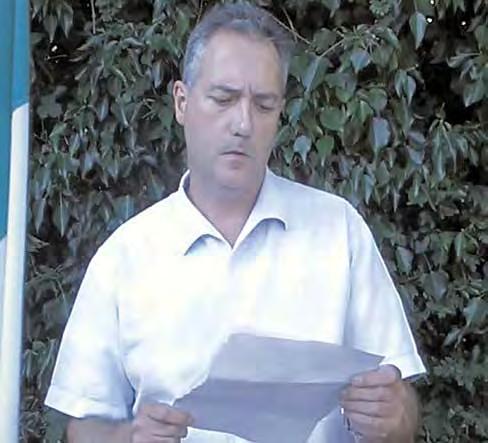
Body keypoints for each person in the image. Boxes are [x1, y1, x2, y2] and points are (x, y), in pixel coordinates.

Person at [45, 2, 426, 442]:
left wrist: (393, 415)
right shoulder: (125, 257)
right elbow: (84, 425)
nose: (243, 124)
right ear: (182, 102)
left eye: (263, 104)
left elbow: (402, 414)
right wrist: (128, 438)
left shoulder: (338, 232)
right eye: (223, 99)